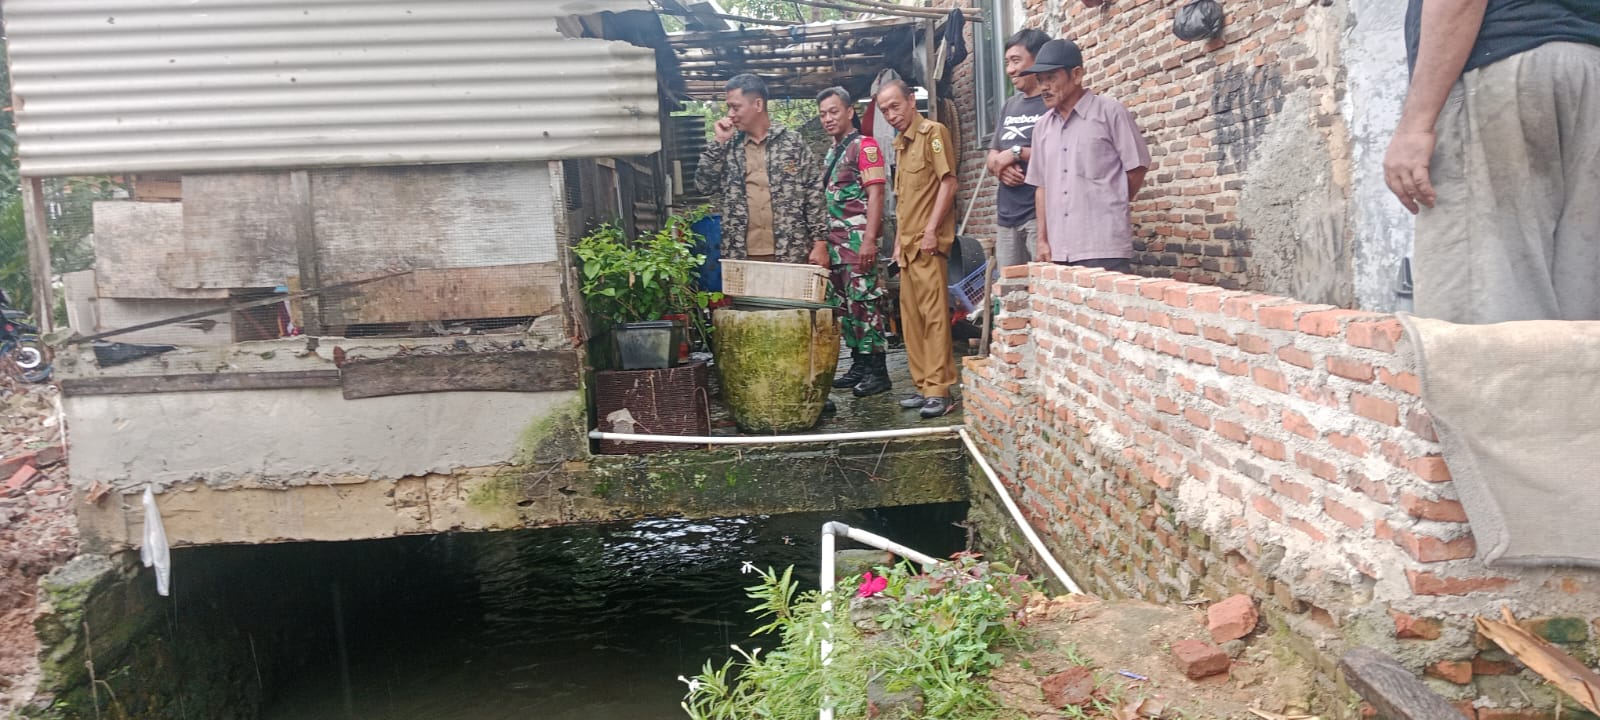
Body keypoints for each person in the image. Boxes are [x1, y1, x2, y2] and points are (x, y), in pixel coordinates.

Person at [1383, 0, 1600, 324]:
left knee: (1482, 329)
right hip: (1588, 72)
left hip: (1504, 68)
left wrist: (1416, 123)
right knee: (1585, 321)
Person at [1021, 39, 1151, 274]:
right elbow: (1041, 187)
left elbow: (1137, 169)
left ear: (1077, 74)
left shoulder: (1110, 112)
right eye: (1040, 80)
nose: (1044, 87)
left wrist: (1110, 202)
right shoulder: (1042, 127)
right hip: (1057, 251)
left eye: (1051, 78)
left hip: (1103, 248)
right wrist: (1042, 240)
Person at [876, 79, 959, 419]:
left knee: (935, 318)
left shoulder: (933, 133)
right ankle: (922, 384)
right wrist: (897, 243)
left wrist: (930, 230)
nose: (891, 114)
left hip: (928, 245)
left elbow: (948, 182)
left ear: (911, 100)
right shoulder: (900, 144)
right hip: (908, 248)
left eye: (896, 106)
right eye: (885, 110)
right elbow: (905, 201)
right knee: (911, 319)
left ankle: (940, 390)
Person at [813, 87, 893, 397]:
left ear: (850, 111)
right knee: (848, 309)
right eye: (822, 114)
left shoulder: (865, 146)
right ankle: (859, 364)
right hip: (836, 246)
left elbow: (876, 193)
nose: (828, 119)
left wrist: (870, 240)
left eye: (833, 111)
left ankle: (878, 370)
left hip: (858, 241)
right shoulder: (832, 151)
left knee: (867, 305)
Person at [694, 74, 824, 264]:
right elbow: (703, 186)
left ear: (758, 104)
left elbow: (814, 193)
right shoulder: (728, 146)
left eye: (735, 107)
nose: (730, 114)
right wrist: (719, 142)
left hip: (791, 252)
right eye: (728, 107)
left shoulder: (792, 143)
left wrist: (820, 243)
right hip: (741, 255)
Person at [985, 28, 1052, 270]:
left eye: (1016, 61)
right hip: (1006, 217)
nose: (1010, 70)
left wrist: (1015, 153)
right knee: (1011, 293)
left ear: (1038, 60)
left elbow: (1058, 154)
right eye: (1007, 63)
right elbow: (992, 156)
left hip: (1039, 217)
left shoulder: (1050, 104)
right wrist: (1000, 168)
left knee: (1043, 289)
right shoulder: (1010, 106)